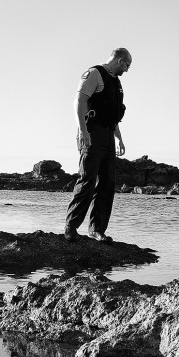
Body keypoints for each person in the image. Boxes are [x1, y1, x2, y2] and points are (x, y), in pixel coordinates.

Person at [64, 47, 132, 241]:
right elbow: (79, 101)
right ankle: (71, 226)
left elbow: (113, 113)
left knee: (108, 182)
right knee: (87, 179)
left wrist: (119, 137)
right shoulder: (94, 73)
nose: (127, 70)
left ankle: (96, 229)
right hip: (92, 132)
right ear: (119, 60)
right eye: (127, 65)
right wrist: (83, 131)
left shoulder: (116, 82)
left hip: (109, 135)